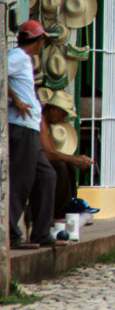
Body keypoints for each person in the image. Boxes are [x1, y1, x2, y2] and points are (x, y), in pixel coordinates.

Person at [8, 20, 58, 248]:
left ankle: (41, 232)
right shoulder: (17, 57)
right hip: (21, 127)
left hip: (30, 128)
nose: (43, 45)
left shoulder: (23, 59)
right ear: (36, 40)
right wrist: (16, 100)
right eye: (42, 40)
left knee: (46, 175)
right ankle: (9, 233)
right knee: (20, 181)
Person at [40, 91, 93, 225]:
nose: (63, 119)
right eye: (63, 114)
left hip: (43, 162)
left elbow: (52, 152)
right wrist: (74, 160)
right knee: (61, 166)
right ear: (53, 110)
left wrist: (76, 159)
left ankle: (71, 208)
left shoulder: (48, 126)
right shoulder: (40, 123)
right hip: (36, 164)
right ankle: (60, 213)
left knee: (66, 165)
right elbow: (49, 154)